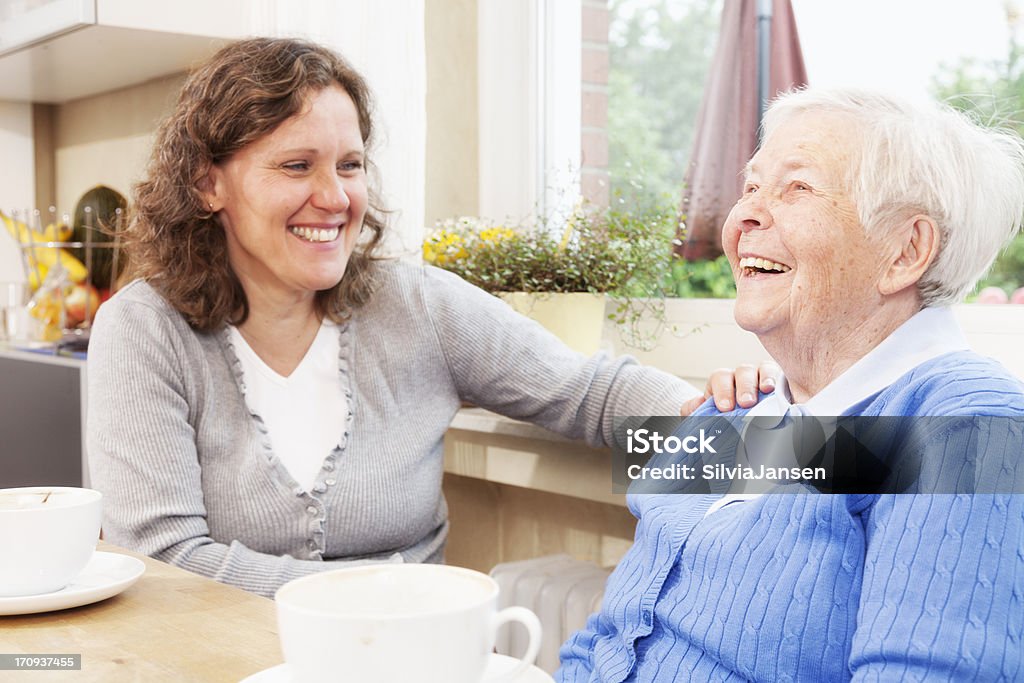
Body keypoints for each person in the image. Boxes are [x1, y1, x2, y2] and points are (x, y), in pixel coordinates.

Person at [86, 37, 775, 598]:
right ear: (209, 183)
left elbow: (589, 393)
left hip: (410, 657)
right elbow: (165, 558)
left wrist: (743, 430)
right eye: (297, 165)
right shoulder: (144, 330)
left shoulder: (416, 305)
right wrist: (385, 591)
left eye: (350, 165)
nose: (334, 196)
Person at [557, 88, 1024, 681]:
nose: (743, 215)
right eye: (752, 187)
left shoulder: (968, 424)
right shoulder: (745, 408)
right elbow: (614, 629)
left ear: (906, 251)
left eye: (797, 188)